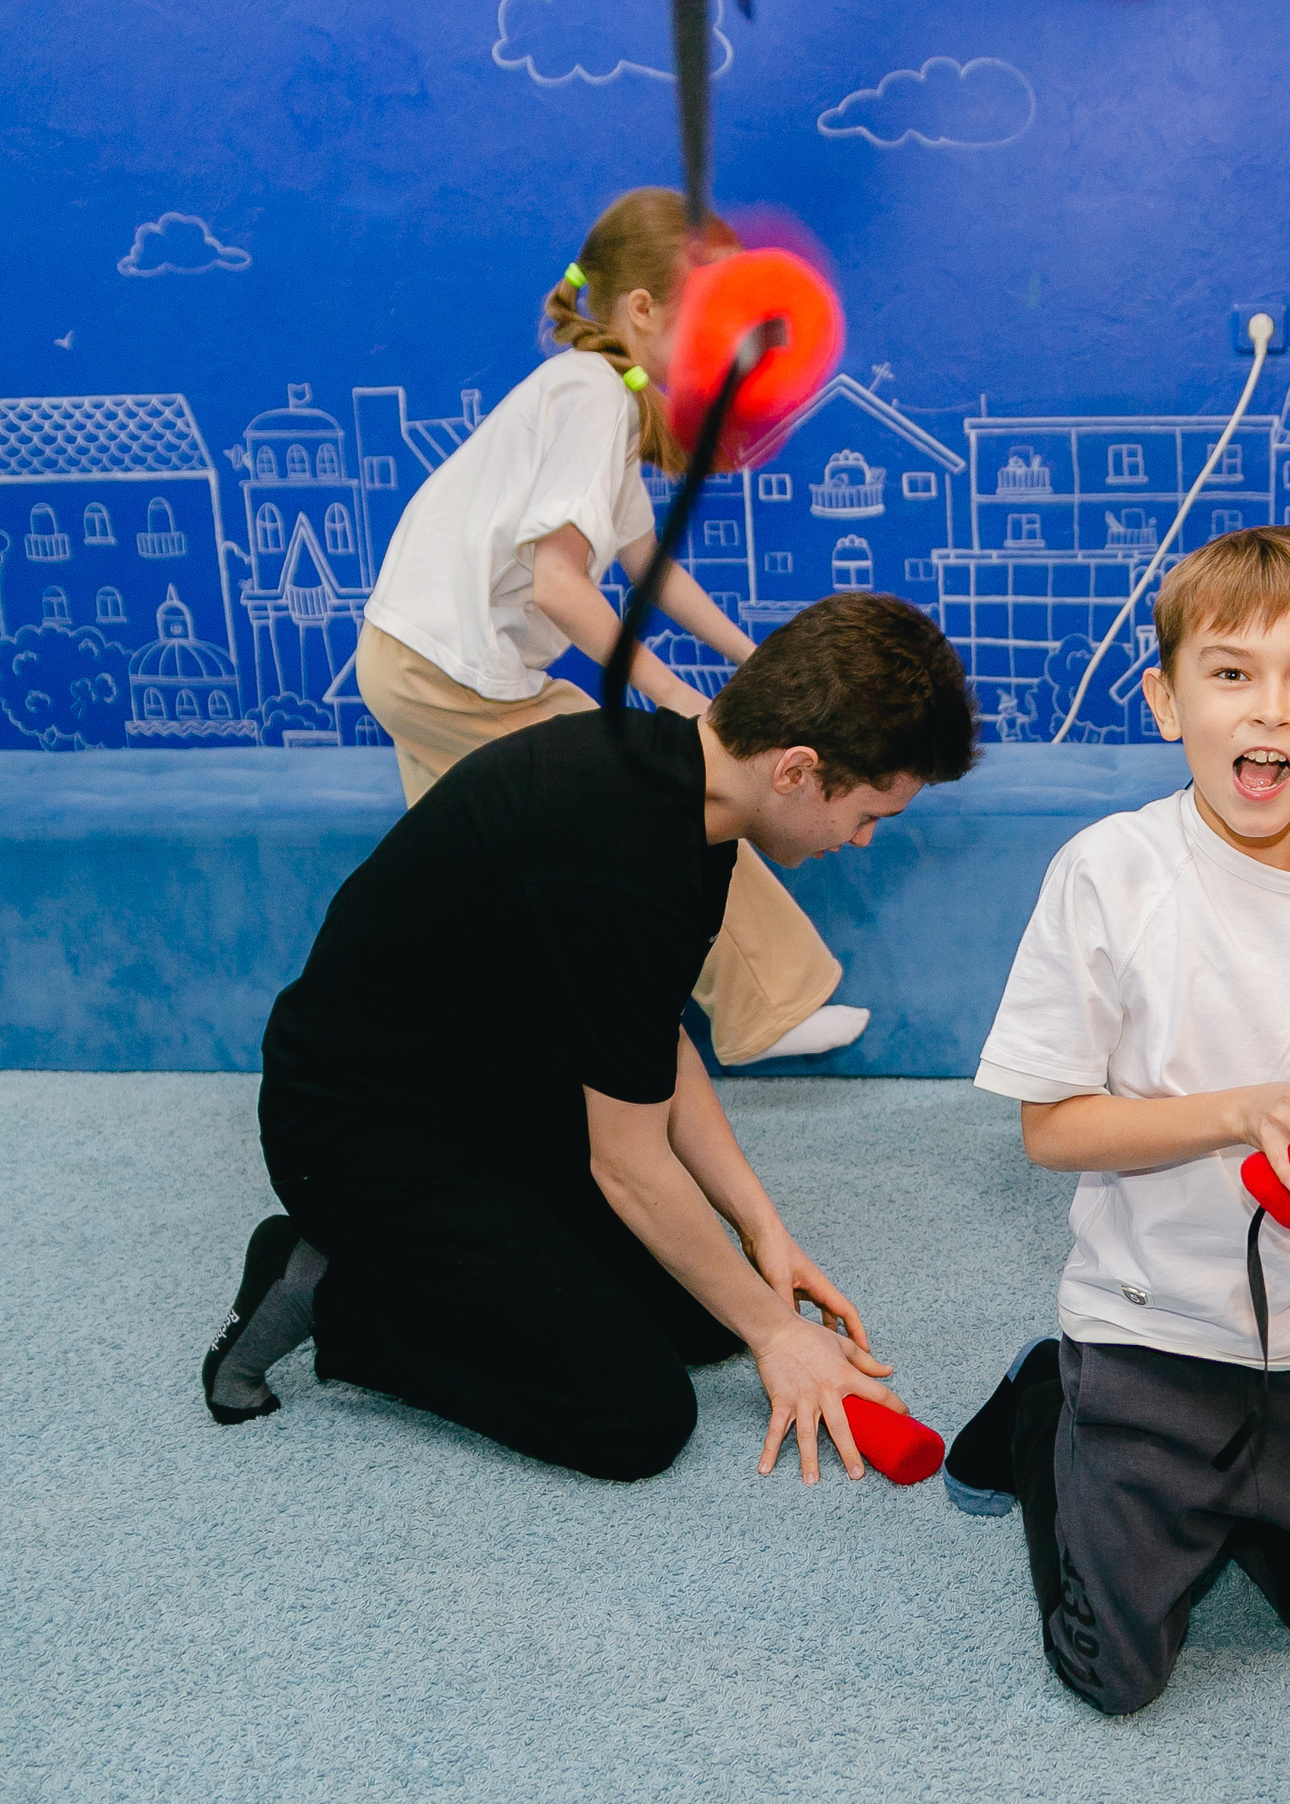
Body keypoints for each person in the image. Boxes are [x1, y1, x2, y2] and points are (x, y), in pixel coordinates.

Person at [200, 594, 978, 1487]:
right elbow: (630, 1166)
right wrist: (777, 1334)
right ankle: (323, 1287)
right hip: (360, 1133)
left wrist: (762, 1230)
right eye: (870, 813)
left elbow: (653, 1040)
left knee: (699, 1316)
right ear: (798, 771)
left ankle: (467, 1267)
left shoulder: (694, 795)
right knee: (632, 1416)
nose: (867, 840)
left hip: (493, 1087)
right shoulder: (623, 856)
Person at [937, 526, 1290, 1716]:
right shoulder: (1107, 871)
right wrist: (1240, 1112)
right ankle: (1047, 1412)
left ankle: (1236, 1495)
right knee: (1112, 1675)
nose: (1270, 712)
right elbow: (1050, 1129)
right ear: (1165, 700)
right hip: (1148, 1327)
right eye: (1230, 673)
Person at [355, 186, 864, 1067]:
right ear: (641, 310)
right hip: (452, 670)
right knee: (669, 792)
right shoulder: (595, 398)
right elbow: (559, 584)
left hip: (408, 658)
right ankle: (768, 1006)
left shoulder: (592, 391)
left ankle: (469, 1043)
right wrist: (672, 703)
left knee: (466, 867)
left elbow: (646, 565)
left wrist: (756, 658)